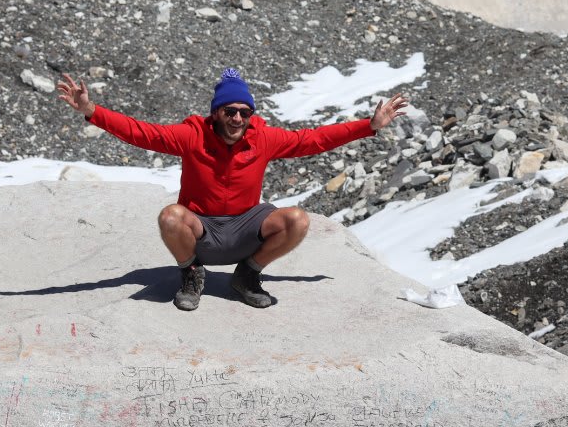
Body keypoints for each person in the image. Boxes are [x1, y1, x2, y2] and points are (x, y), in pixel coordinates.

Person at [56, 68, 410, 310]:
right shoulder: (192, 135)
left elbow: (311, 140)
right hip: (202, 231)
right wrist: (91, 110)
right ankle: (192, 274)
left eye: (244, 112)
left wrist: (369, 126)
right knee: (170, 217)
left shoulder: (264, 137)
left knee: (297, 220)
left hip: (244, 229)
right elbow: (141, 132)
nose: (237, 118)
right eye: (229, 111)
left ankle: (247, 275)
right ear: (216, 114)